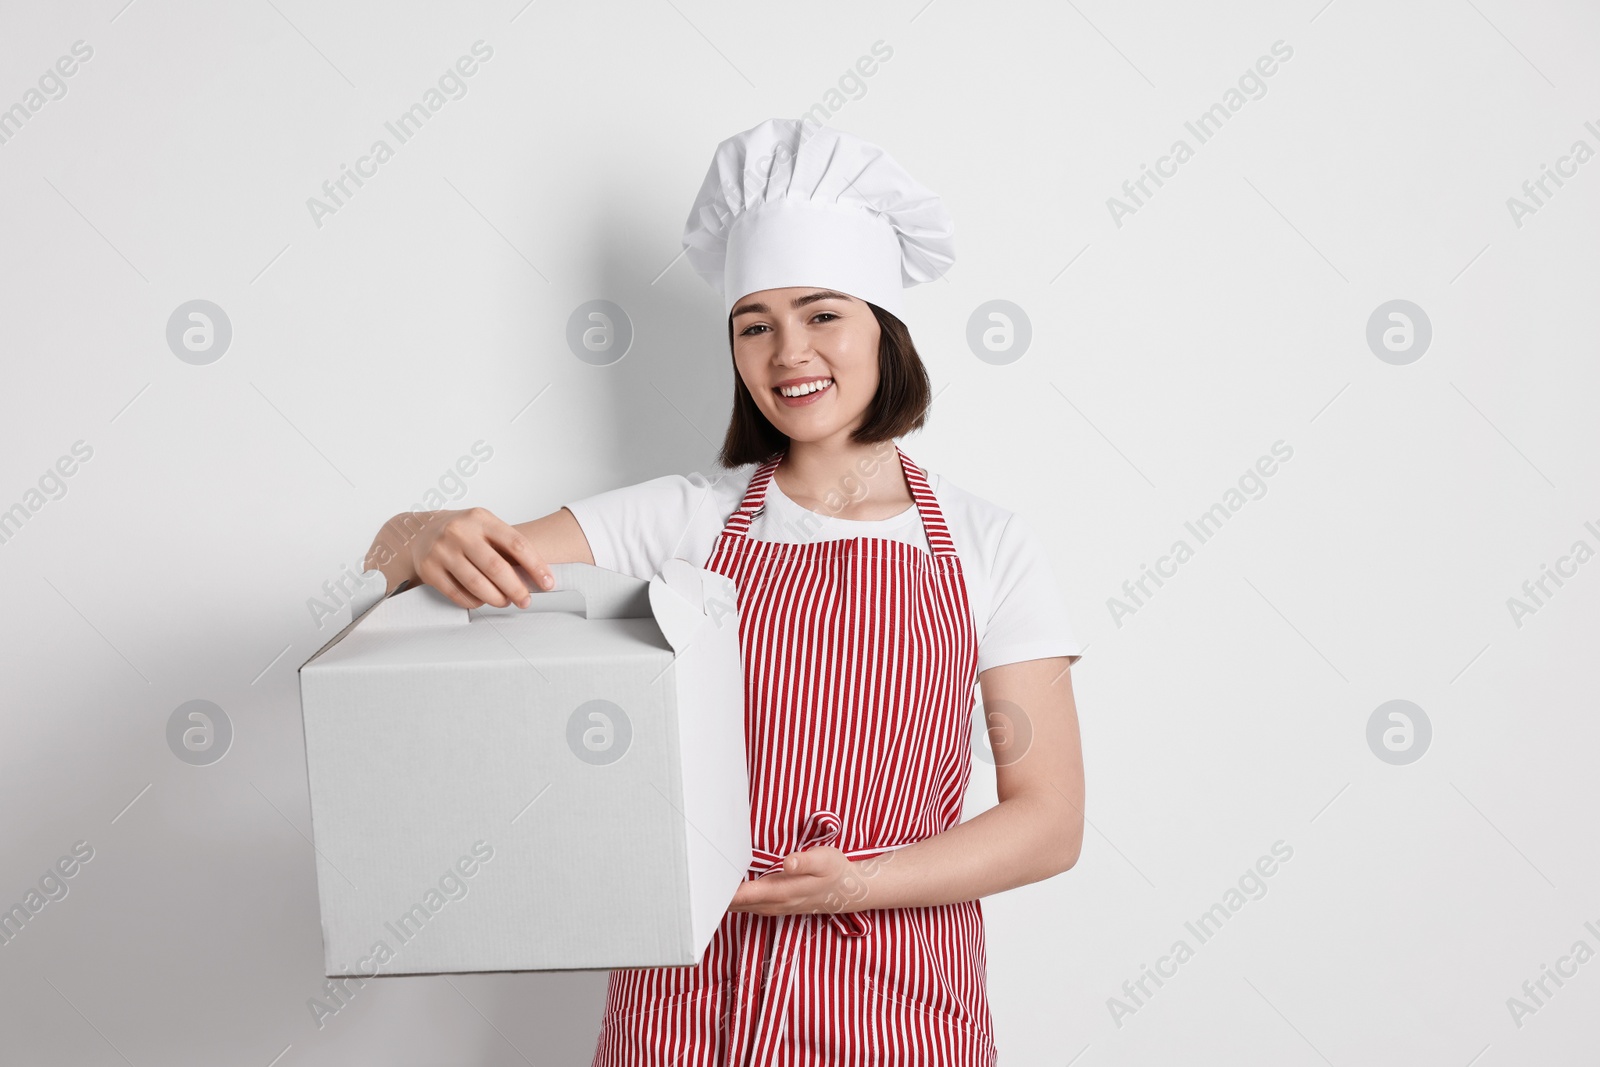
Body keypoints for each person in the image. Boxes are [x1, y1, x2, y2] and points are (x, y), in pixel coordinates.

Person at [364, 117, 1085, 1066]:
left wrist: (856, 885)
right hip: (691, 1001)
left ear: (884, 328)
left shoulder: (989, 543)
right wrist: (422, 532)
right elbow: (398, 567)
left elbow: (1048, 820)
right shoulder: (681, 519)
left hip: (903, 1002)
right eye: (755, 324)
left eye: (822, 313)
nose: (788, 352)